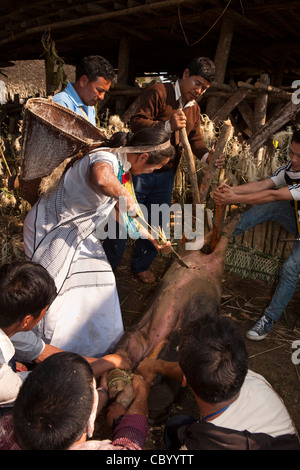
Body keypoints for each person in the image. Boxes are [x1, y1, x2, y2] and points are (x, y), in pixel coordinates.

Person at [23, 128, 174, 358]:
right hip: (51, 231)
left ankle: (96, 352)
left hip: (79, 234)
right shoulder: (106, 157)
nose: (153, 172)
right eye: (155, 167)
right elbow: (102, 178)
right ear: (143, 157)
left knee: (102, 284)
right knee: (52, 296)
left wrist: (152, 238)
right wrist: (124, 194)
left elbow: (120, 214)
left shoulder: (123, 170)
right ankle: (43, 353)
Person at [103, 57, 224, 283]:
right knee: (123, 218)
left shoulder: (194, 109)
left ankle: (140, 266)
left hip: (165, 174)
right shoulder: (159, 92)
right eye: (197, 83)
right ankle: (107, 267)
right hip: (140, 170)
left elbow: (195, 140)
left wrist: (208, 156)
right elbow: (136, 122)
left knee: (155, 220)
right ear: (186, 74)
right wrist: (167, 126)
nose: (199, 91)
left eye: (204, 88)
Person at [137, 313, 300, 450]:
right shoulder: (253, 379)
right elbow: (198, 370)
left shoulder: (205, 444)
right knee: (177, 424)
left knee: (175, 428)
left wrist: (141, 394)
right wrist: (156, 366)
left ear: (185, 379)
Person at [0, 261, 131, 415]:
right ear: (27, 320)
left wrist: (105, 361)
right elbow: (55, 381)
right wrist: (104, 387)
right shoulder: (3, 377)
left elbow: (41, 352)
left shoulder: (9, 320)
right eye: (45, 310)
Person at [213, 128, 300, 340]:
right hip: (298, 222)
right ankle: (219, 239)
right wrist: (233, 191)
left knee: (291, 268)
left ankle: (268, 319)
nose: (294, 159)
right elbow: (265, 184)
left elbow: (272, 195)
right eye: (292, 152)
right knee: (273, 209)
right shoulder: (291, 168)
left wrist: (233, 199)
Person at [0, 351, 150, 450]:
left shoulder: (5, 426)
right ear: (89, 426)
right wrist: (142, 394)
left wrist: (103, 392)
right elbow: (131, 443)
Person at [52, 55, 115, 125]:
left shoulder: (90, 107)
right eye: (99, 90)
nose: (102, 97)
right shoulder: (61, 104)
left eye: (104, 92)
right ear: (83, 81)